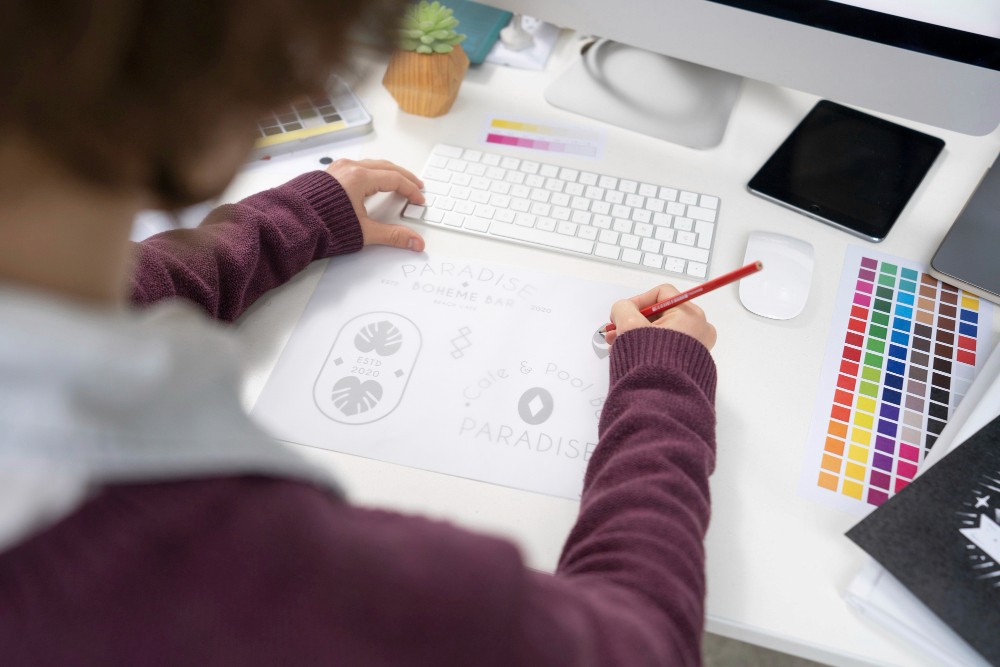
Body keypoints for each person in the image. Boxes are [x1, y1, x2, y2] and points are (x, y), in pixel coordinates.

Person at [0, 1, 718, 665]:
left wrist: (291, 220)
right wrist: (664, 383)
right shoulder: (257, 573)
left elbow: (124, 294)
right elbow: (641, 646)